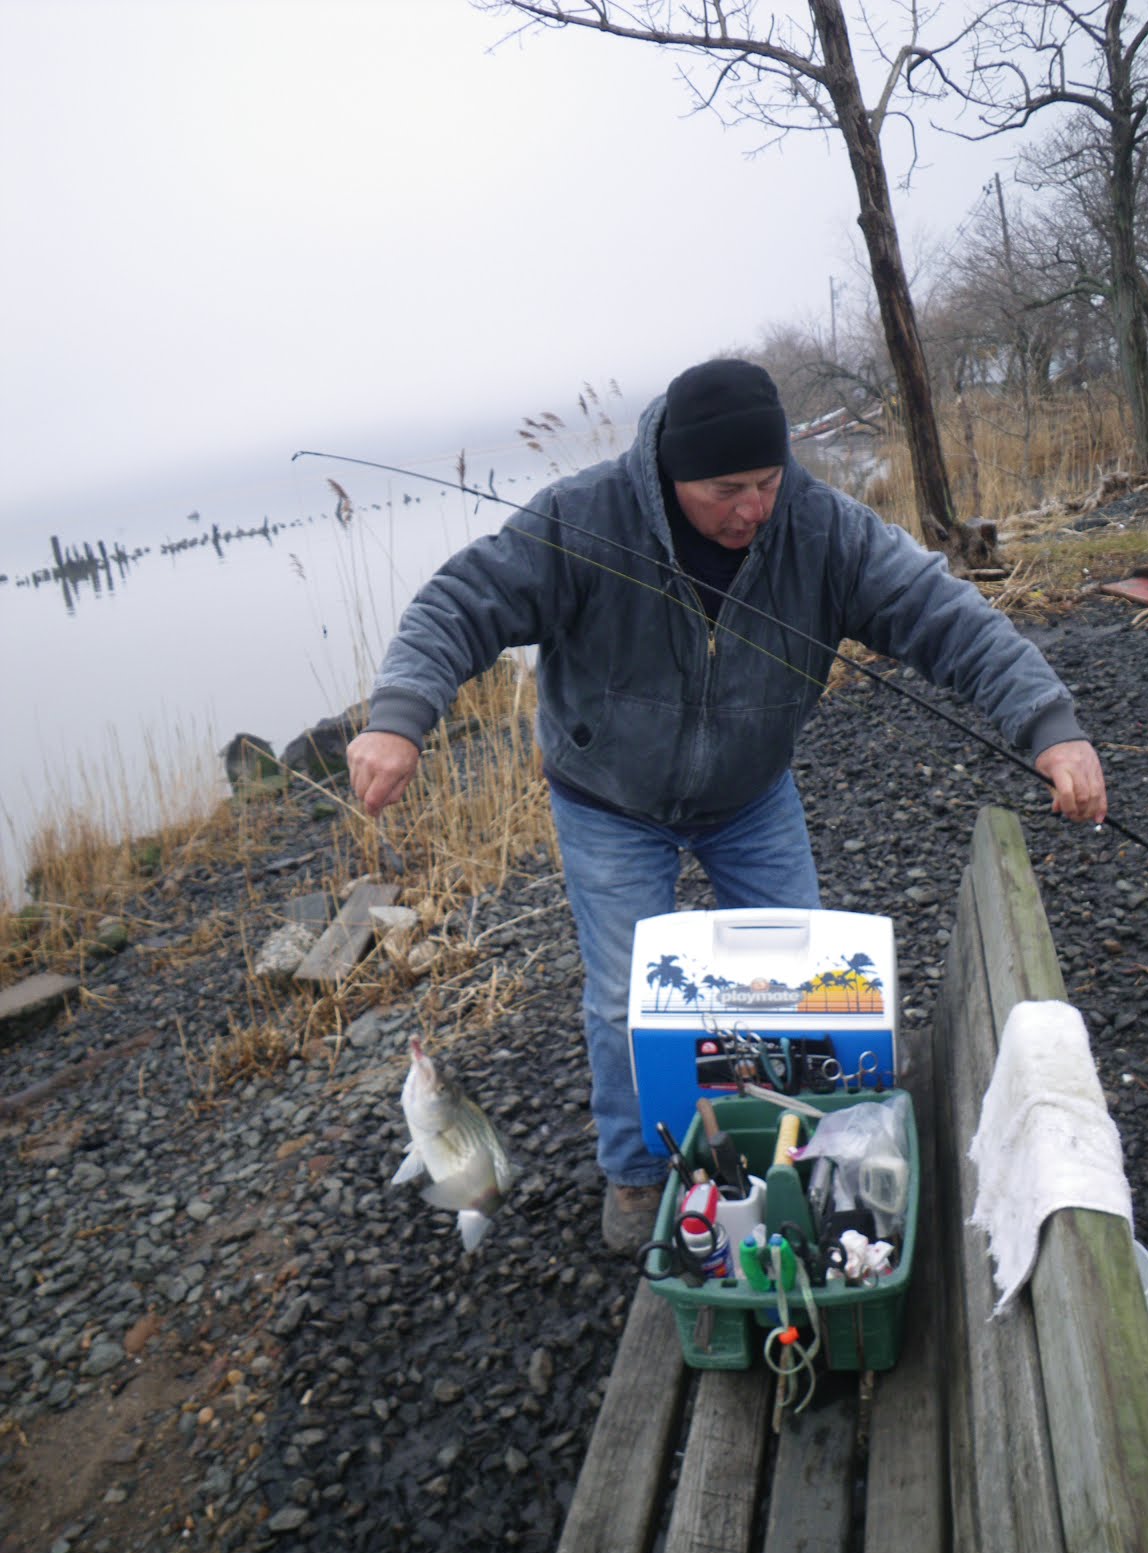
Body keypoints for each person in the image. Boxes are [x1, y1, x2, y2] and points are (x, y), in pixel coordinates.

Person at [347, 359, 1107, 1254]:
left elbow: (944, 616)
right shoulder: (582, 518)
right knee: (625, 998)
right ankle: (636, 1175)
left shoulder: (821, 529)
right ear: (672, 474)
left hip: (751, 792)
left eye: (767, 483)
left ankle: (816, 1156)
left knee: (806, 987)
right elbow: (460, 604)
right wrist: (402, 717)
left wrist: (1049, 726)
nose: (752, 510)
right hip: (609, 800)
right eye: (725, 490)